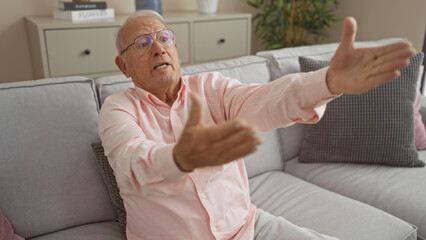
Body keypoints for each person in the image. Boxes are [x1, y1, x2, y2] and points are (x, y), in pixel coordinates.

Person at [98, 10, 415, 240]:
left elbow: (264, 102)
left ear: (176, 51)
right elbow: (132, 161)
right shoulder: (117, 109)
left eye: (164, 38)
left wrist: (329, 82)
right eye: (142, 43)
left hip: (247, 227)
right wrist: (179, 158)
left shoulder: (211, 87)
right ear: (122, 65)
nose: (158, 48)